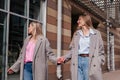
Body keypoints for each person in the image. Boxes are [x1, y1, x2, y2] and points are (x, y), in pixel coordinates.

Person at [58, 12, 105, 80]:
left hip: (89, 61)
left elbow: (101, 51)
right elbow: (72, 50)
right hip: (77, 61)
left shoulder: (96, 34)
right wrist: (64, 58)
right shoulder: (76, 34)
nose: (77, 21)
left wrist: (98, 61)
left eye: (79, 19)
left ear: (85, 20)